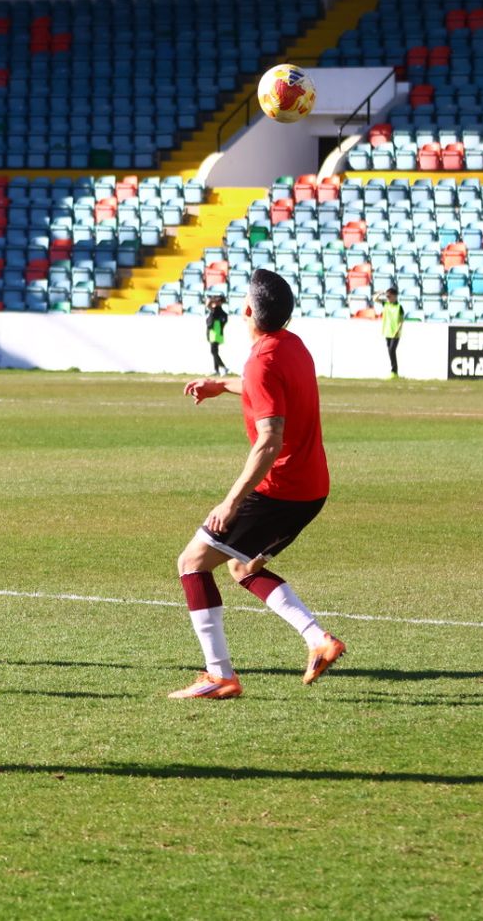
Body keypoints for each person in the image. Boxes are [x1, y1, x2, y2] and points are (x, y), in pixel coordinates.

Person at [168, 268, 344, 700]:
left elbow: (269, 440)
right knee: (243, 566)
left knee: (192, 562)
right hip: (311, 488)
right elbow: (261, 385)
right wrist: (220, 387)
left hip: (279, 490)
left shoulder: (262, 359)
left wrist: (231, 502)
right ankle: (318, 640)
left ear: (247, 310)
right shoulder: (293, 346)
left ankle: (219, 675)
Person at [380, 287, 404, 378]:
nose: (388, 298)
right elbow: (375, 299)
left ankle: (394, 371)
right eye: (387, 297)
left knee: (392, 350)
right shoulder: (386, 304)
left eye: (389, 296)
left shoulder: (399, 307)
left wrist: (397, 331)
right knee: (390, 351)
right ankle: (394, 371)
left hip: (395, 333)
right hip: (387, 331)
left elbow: (401, 321)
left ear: (395, 296)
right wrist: (380, 293)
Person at [204, 294, 230, 376]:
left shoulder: (219, 311)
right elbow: (208, 306)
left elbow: (210, 308)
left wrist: (212, 302)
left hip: (216, 333)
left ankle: (223, 367)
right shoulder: (216, 310)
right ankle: (216, 369)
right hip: (213, 333)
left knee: (213, 351)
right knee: (215, 351)